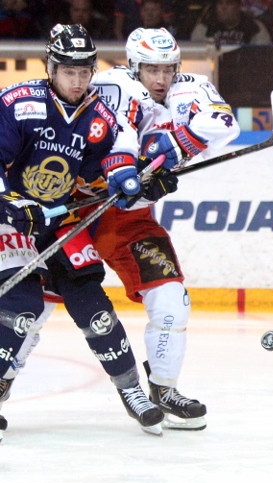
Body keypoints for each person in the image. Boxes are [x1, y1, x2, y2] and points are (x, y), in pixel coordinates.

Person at [0, 24, 165, 442]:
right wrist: (15, 206)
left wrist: (138, 178)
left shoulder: (98, 115)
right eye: (68, 71)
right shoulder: (19, 104)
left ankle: (131, 390)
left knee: (94, 304)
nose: (77, 80)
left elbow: (113, 160)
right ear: (50, 68)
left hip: (59, 220)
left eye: (84, 71)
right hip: (11, 222)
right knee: (22, 309)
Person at [87, 27, 240, 430]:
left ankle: (163, 387)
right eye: (151, 69)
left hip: (132, 222)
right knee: (34, 307)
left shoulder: (191, 88)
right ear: (134, 66)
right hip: (77, 212)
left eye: (167, 69)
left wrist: (175, 146)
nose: (160, 79)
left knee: (172, 301)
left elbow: (226, 125)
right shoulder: (109, 84)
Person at [190, 0, 272, 44]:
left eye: (229, 3)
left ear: (239, 6)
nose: (223, 8)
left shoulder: (255, 28)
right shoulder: (204, 28)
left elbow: (263, 55)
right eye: (220, 3)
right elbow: (195, 55)